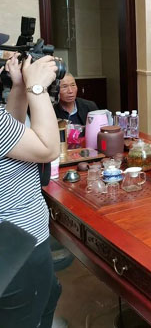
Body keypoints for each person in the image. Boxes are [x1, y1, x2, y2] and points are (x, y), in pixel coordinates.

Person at [0, 51, 62, 327]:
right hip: (16, 249)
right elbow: (48, 149)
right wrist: (36, 88)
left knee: (49, 295)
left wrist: (18, 86)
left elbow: (10, 135)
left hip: (13, 246)